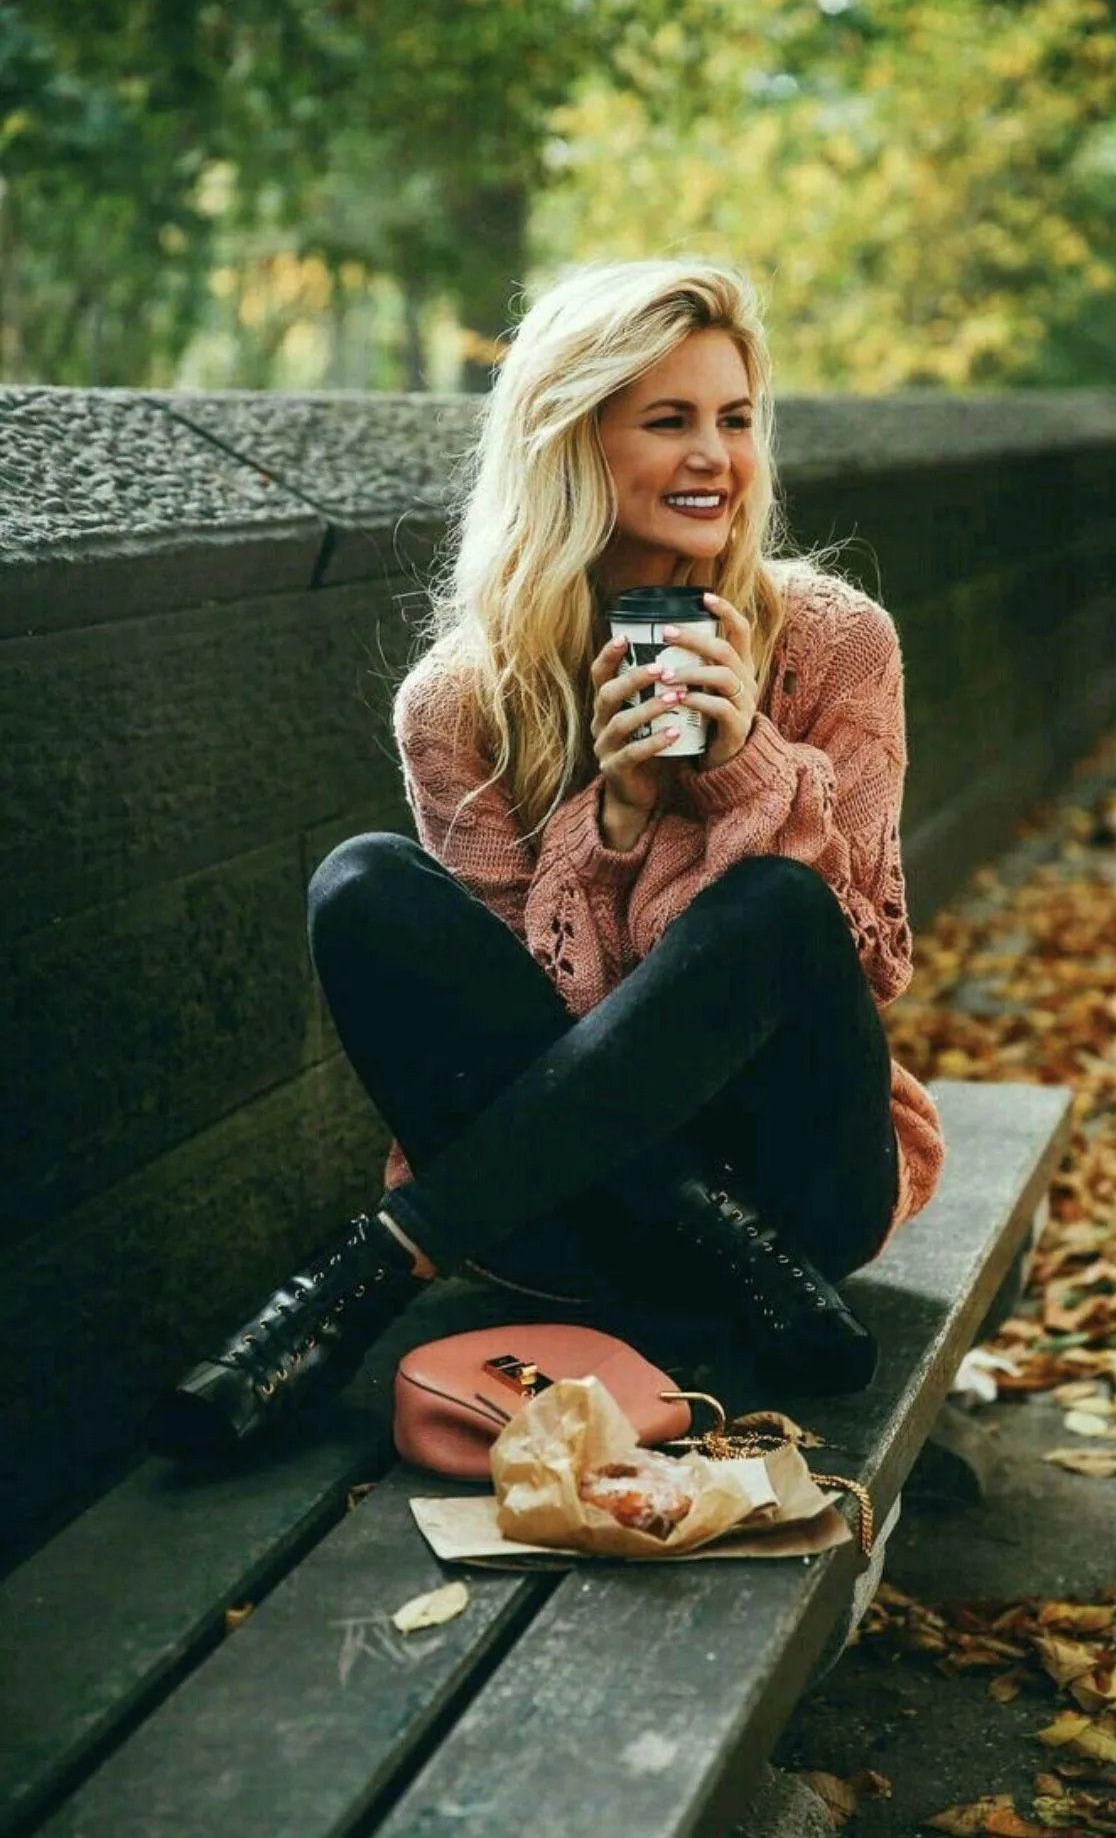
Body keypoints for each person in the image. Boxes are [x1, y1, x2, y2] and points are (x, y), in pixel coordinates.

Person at [152, 260, 946, 1457]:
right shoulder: (461, 704)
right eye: (667, 419)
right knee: (362, 883)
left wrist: (743, 767)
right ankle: (696, 1231)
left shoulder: (833, 644)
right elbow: (538, 1043)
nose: (716, 458)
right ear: (571, 440)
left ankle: (372, 1267)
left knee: (780, 905)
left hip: (804, 1205)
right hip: (567, 1228)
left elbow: (859, 961)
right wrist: (615, 820)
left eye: (734, 419)